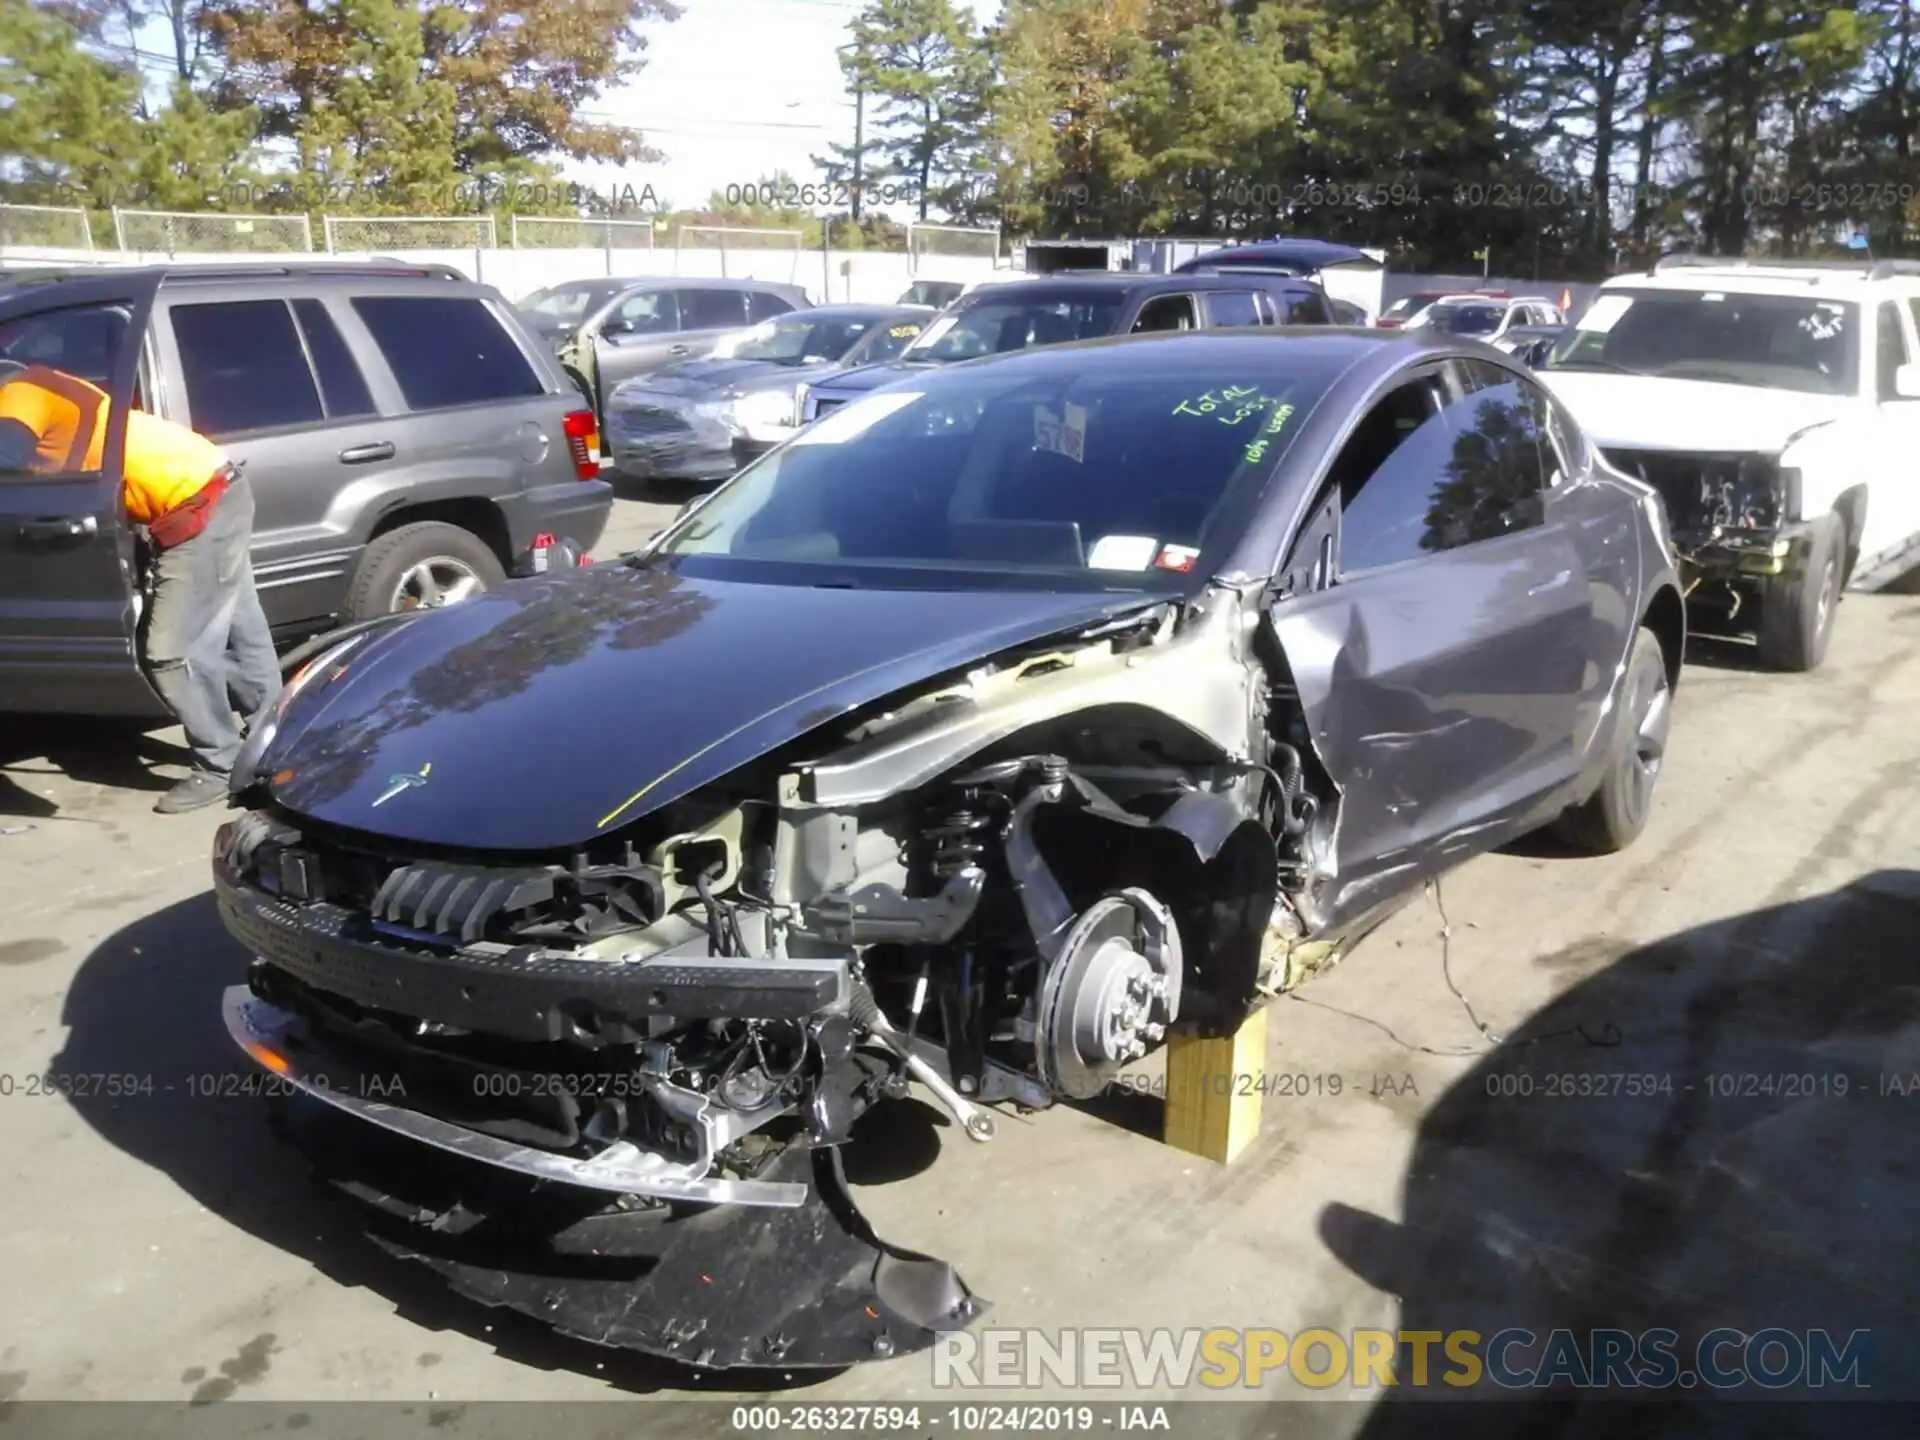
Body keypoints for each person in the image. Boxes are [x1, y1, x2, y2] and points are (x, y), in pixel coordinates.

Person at [0, 362, 281, 813]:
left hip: (196, 503)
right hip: (214, 483)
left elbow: (6, 463)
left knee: (172, 653)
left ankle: (220, 764)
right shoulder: (43, 380)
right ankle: (279, 730)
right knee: (240, 624)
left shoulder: (18, 396)